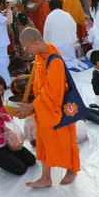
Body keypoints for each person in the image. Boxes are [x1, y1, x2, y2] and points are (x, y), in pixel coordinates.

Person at [17, 28, 80, 187]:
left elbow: (53, 92)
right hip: (42, 108)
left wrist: (31, 105)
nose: (27, 51)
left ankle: (72, 170)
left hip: (54, 110)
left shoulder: (54, 61)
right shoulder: (41, 55)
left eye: (27, 47)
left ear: (35, 42)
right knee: (43, 142)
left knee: (64, 142)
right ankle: (46, 177)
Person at [43, 0, 87, 71]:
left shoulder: (49, 17)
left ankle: (71, 63)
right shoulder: (67, 14)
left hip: (56, 46)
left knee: (62, 61)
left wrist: (47, 45)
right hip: (69, 44)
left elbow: (46, 33)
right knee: (70, 58)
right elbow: (74, 27)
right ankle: (74, 62)